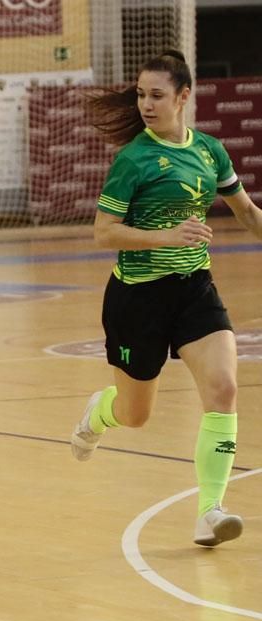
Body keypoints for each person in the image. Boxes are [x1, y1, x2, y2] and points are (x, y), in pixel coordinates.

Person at [71, 50, 262, 548]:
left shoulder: (210, 152)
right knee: (136, 415)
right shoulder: (133, 159)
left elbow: (245, 213)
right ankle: (99, 412)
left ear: (183, 97)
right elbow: (103, 234)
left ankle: (209, 512)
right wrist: (166, 235)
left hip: (194, 290)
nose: (146, 104)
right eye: (140, 95)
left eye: (156, 95)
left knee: (223, 388)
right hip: (137, 299)